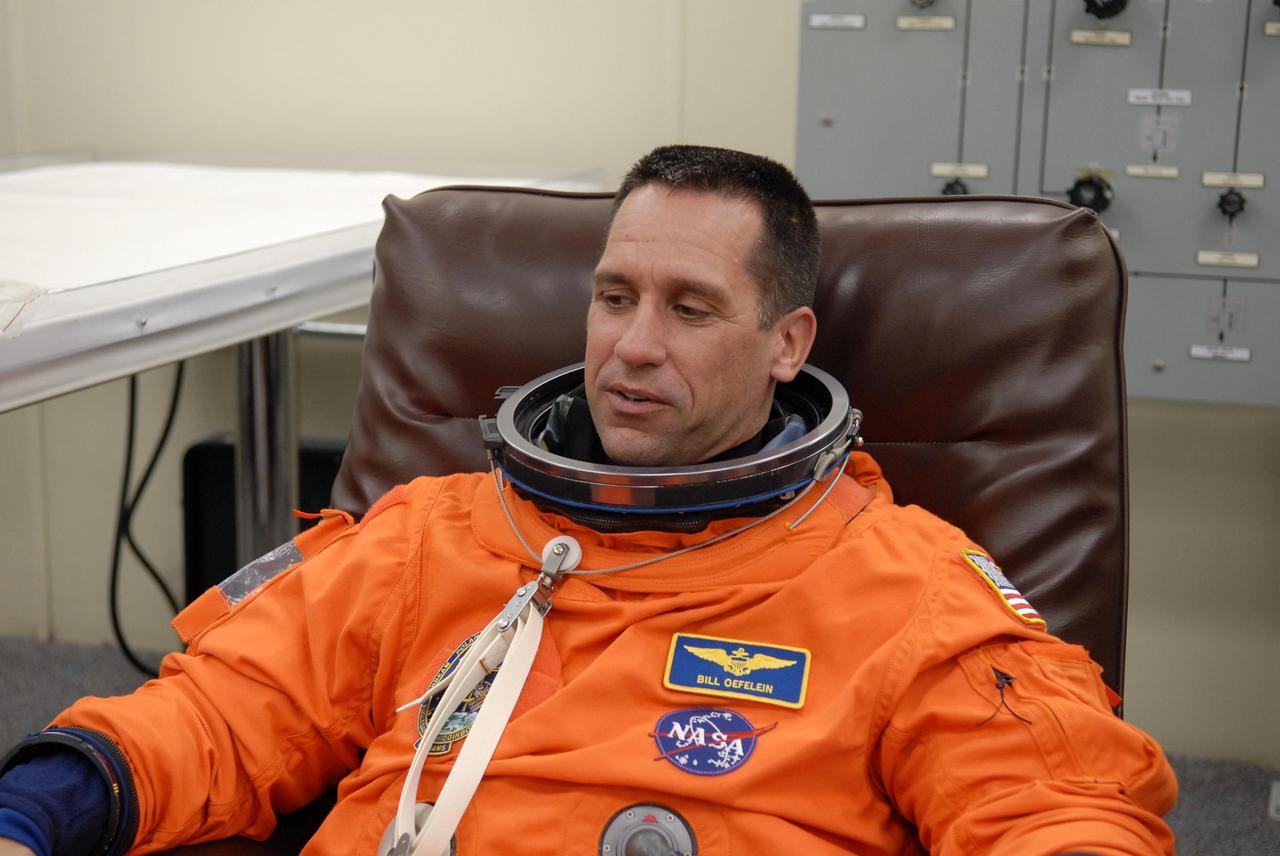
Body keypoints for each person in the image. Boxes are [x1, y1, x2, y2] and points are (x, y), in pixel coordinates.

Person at [0, 145, 1177, 855]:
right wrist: (36, 810)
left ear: (787, 342)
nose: (631, 346)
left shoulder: (901, 587)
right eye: (613, 296)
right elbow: (220, 711)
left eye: (689, 307)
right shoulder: (434, 535)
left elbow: (1053, 806)